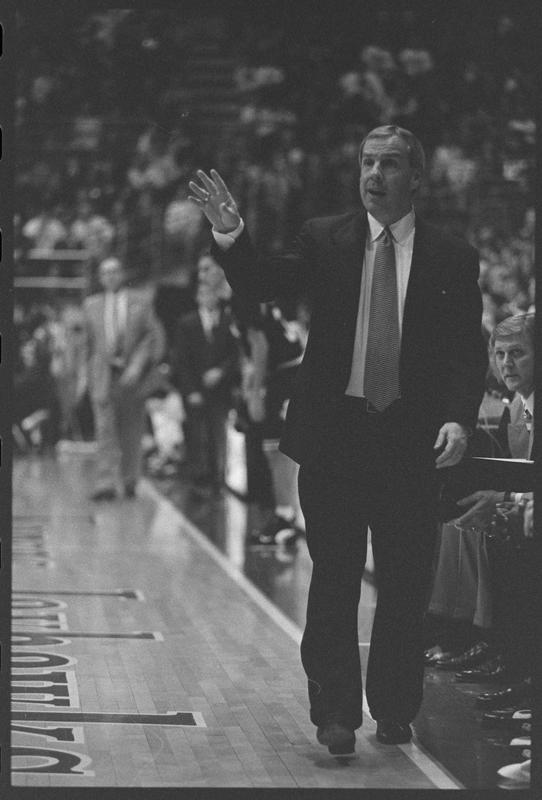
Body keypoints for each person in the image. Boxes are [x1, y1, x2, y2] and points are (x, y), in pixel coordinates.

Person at [188, 125, 487, 754]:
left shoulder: (452, 256)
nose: (374, 174)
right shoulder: (325, 238)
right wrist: (231, 233)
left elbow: (467, 349)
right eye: (367, 162)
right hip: (335, 437)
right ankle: (335, 713)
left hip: (410, 442)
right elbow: (263, 282)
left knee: (405, 586)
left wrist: (459, 417)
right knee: (333, 580)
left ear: (416, 177)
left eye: (390, 163)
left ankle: (395, 707)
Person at [450, 313, 535, 704]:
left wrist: (505, 501)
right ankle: (505, 652)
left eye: (517, 353)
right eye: (499, 355)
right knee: (482, 525)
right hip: (526, 507)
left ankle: (522, 667)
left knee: (508, 528)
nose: (506, 364)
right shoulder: (515, 406)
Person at [81, 256, 166, 500]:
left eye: (115, 271)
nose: (110, 276)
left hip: (132, 376)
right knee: (104, 430)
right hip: (103, 375)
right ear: (100, 278)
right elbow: (87, 345)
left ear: (122, 274)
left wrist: (138, 365)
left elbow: (152, 336)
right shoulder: (91, 305)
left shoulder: (141, 300)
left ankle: (130, 480)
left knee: (131, 429)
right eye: (105, 273)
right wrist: (85, 377)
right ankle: (105, 483)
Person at [172, 281, 240, 494]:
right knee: (197, 434)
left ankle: (218, 478)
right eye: (203, 294)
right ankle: (198, 479)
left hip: (220, 389)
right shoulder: (187, 323)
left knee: (217, 433)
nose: (208, 298)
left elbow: (236, 353)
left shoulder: (228, 321)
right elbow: (182, 359)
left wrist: (221, 371)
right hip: (196, 388)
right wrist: (190, 390)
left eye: (211, 294)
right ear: (197, 297)